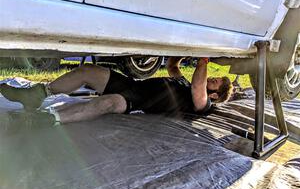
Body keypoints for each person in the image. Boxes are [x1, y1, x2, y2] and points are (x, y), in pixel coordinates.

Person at [0, 57, 232, 124]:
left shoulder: (203, 104)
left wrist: (204, 58)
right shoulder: (183, 82)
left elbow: (199, 89)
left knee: (108, 103)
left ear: (214, 95)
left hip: (137, 103)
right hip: (133, 85)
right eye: (211, 76)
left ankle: (46, 119)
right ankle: (36, 95)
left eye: (214, 82)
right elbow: (173, 65)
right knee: (88, 70)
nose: (209, 78)